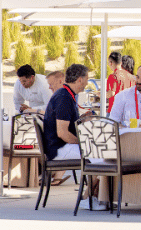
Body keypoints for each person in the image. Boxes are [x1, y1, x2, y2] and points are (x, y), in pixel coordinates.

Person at [42, 64, 101, 209]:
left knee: (98, 154)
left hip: (57, 147)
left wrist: (81, 119)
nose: (87, 83)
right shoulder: (64, 97)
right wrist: (82, 143)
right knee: (98, 157)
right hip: (59, 149)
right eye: (87, 79)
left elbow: (67, 125)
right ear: (80, 79)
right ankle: (88, 199)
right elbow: (62, 133)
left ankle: (90, 197)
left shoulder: (66, 94)